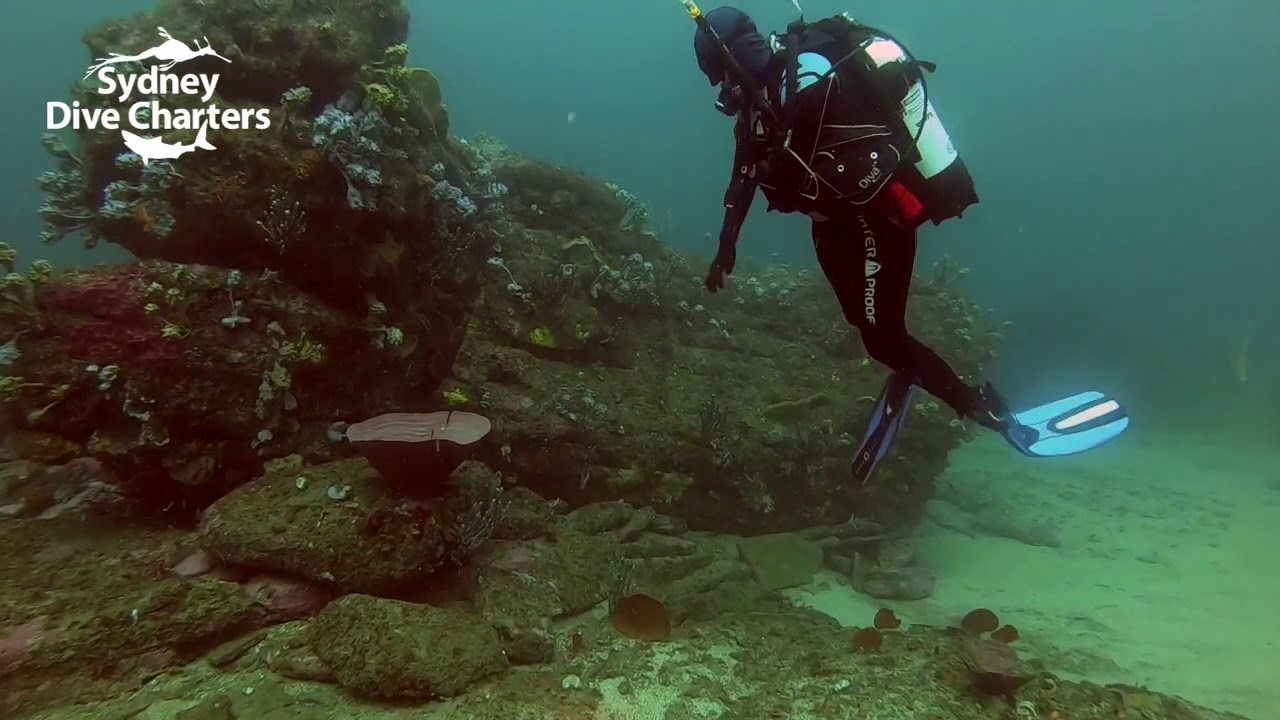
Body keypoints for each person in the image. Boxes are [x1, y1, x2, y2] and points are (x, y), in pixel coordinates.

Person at [687, 6, 1130, 478]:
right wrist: (725, 246)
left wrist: (816, 182)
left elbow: (865, 162)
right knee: (862, 322)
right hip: (835, 221)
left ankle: (990, 413)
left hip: (882, 219)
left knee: (883, 338)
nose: (723, 92)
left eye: (721, 77)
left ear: (736, 60)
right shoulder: (766, 104)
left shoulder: (810, 87)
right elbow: (744, 176)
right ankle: (910, 367)